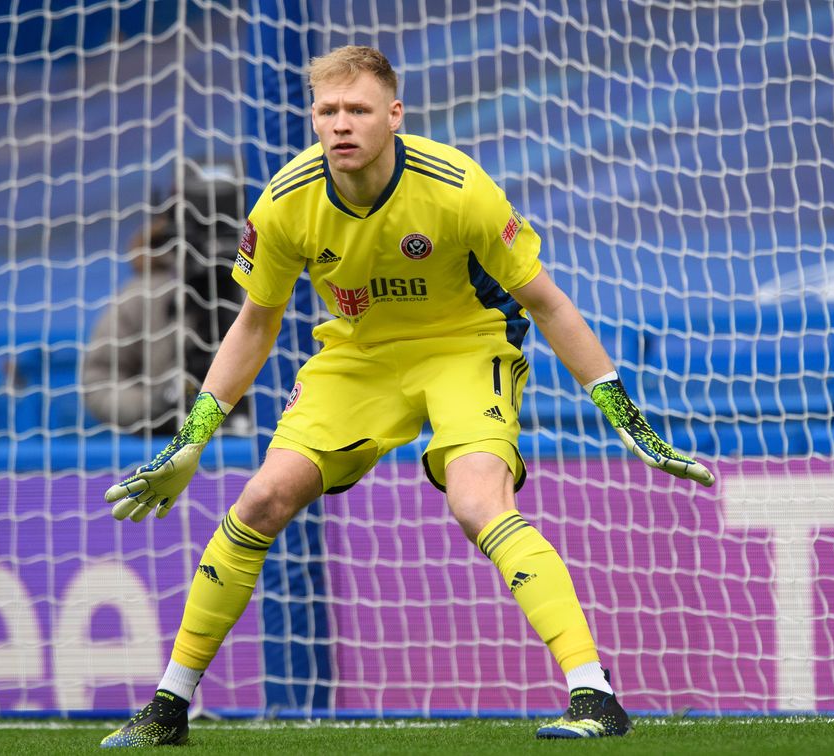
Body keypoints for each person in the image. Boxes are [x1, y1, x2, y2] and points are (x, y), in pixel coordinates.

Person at [99, 46, 714, 747]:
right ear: (312, 119)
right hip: (355, 358)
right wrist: (191, 442)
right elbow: (255, 323)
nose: (341, 125)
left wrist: (622, 413)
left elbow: (545, 302)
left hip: (464, 347)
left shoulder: (457, 186)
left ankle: (596, 697)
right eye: (327, 111)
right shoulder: (284, 202)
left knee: (478, 501)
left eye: (358, 109)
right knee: (261, 500)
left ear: (394, 115)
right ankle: (169, 710)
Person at [81, 171, 246, 437]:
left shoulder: (274, 292)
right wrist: (155, 406)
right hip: (165, 449)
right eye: (201, 226)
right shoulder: (143, 296)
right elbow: (99, 380)